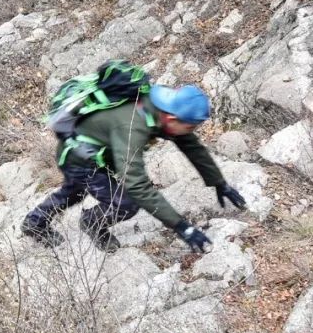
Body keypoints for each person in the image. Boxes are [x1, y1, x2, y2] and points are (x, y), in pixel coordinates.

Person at [21, 83, 248, 253]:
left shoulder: (160, 109)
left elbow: (192, 146)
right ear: (171, 118)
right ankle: (90, 222)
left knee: (74, 191)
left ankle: (34, 222)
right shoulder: (134, 126)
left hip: (96, 149)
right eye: (190, 126)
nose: (192, 130)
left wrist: (219, 182)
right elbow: (137, 185)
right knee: (125, 203)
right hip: (79, 157)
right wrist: (181, 227)